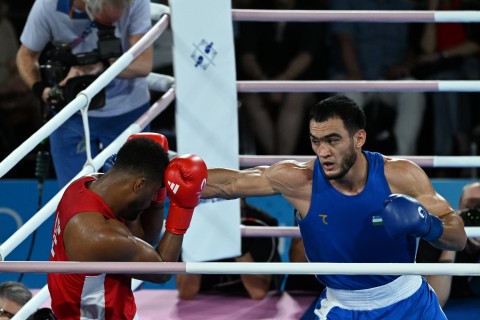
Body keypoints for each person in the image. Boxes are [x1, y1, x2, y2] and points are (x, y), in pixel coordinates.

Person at [201, 95, 467, 319]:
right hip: (343, 308)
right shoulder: (300, 181)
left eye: (332, 140)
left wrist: (427, 225)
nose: (323, 152)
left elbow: (458, 237)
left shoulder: (400, 175)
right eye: (316, 141)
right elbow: (232, 183)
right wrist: (173, 175)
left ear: (359, 138)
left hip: (409, 301)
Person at [47, 133, 208, 319]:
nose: (152, 202)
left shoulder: (83, 186)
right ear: (139, 185)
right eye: (155, 191)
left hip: (113, 309)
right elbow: (162, 271)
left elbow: (145, 237)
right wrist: (183, 207)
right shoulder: (98, 236)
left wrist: (159, 186)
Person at [16, 0, 154, 187]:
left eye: (112, 21)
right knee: (75, 196)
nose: (110, 26)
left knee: (133, 199)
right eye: (103, 21)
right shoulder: (48, 5)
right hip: (71, 110)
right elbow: (26, 55)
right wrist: (42, 90)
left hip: (127, 110)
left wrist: (102, 66)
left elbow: (144, 64)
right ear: (88, 6)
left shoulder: (136, 1)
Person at [328, 0, 426, 156]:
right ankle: (350, 162)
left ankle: (402, 161)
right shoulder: (346, 2)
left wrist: (404, 67)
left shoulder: (406, 5)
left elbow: (414, 47)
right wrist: (354, 71)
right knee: (348, 98)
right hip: (353, 75)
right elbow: (344, 38)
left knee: (413, 91)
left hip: (390, 79)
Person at [237, 0, 326, 155]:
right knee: (251, 100)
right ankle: (279, 164)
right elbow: (247, 57)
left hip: (301, 82)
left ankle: (281, 164)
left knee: (294, 98)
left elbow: (306, 56)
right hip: (261, 80)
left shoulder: (312, 10)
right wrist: (265, 84)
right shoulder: (254, 10)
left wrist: (281, 83)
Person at [175, 198, 283, 300]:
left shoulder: (259, 225)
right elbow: (186, 293)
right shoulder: (193, 221)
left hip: (249, 302)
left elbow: (258, 292)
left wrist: (234, 242)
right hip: (208, 303)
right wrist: (198, 242)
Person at [417, 181, 480, 307]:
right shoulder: (437, 236)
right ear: (460, 209)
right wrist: (452, 242)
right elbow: (436, 300)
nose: (477, 215)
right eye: (472, 208)